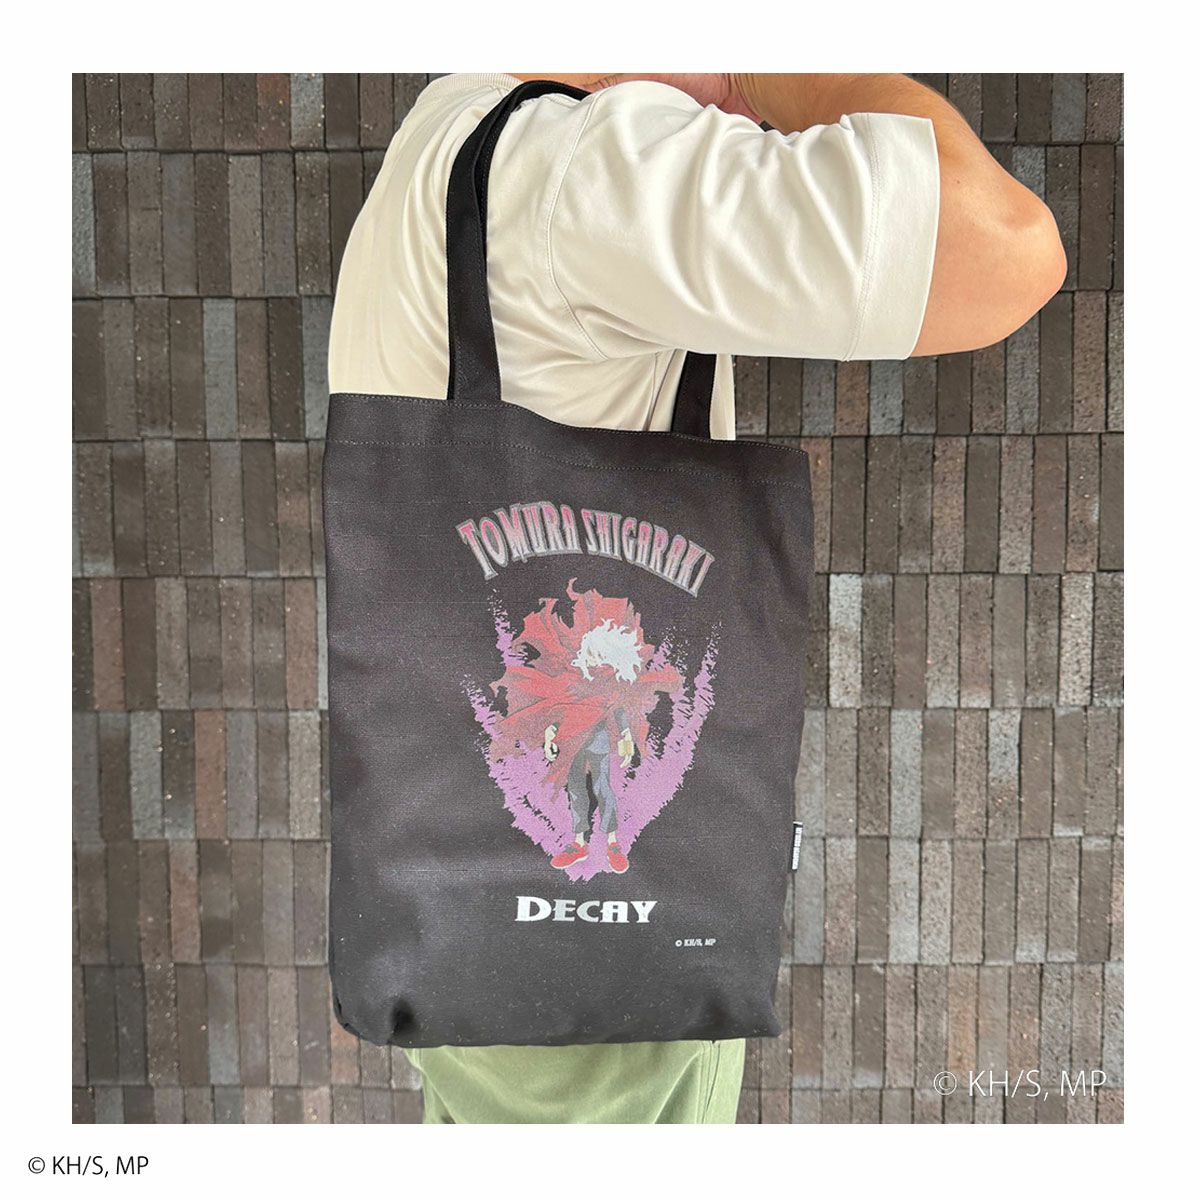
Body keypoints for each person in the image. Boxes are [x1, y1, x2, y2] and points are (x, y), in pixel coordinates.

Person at [328, 71, 1065, 1124]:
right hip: (592, 1013)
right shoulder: (585, 167)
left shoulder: (451, 126)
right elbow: (1006, 250)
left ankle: (591, 845)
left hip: (469, 959)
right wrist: (763, 66)